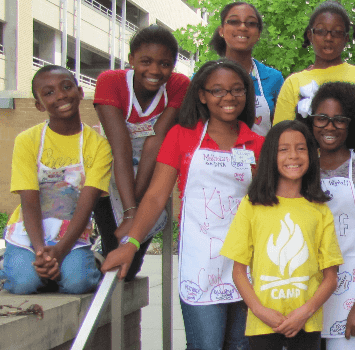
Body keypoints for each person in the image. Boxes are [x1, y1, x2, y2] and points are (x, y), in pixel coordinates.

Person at [100, 59, 265, 350]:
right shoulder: (181, 136)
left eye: (237, 90)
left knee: (241, 347)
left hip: (247, 264)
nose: (228, 97)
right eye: (218, 90)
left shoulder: (257, 144)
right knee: (206, 345)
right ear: (202, 95)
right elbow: (155, 196)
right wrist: (131, 243)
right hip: (200, 263)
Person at [221, 120, 343, 350]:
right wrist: (259, 311)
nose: (293, 156)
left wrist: (304, 313)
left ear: (311, 154)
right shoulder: (252, 205)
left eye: (301, 148)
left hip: (306, 323)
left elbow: (331, 278)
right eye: (283, 149)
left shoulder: (319, 210)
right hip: (263, 323)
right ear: (270, 156)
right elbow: (238, 271)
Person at [0, 65, 111, 294]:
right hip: (29, 234)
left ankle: (85, 264)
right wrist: (41, 251)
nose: (60, 95)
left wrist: (60, 251)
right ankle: (15, 267)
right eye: (49, 93)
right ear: (40, 105)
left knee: (77, 284)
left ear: (80, 93)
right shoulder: (27, 141)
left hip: (70, 237)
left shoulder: (98, 145)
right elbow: (29, 199)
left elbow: (86, 204)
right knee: (23, 284)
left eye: (66, 87)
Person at [296, 82, 355, 349]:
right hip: (303, 287)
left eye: (339, 120)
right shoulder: (298, 168)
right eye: (322, 118)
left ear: (353, 124)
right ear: (310, 120)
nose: (329, 126)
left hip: (352, 289)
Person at [93, 25, 189, 281]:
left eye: (165, 64)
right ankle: (95, 253)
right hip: (113, 170)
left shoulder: (179, 85)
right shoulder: (110, 82)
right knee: (115, 256)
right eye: (146, 61)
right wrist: (130, 211)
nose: (155, 71)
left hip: (150, 170)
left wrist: (136, 215)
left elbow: (155, 141)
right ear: (132, 59)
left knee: (130, 264)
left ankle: (105, 252)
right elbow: (121, 149)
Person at [272, 0, 355, 128]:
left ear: (346, 38)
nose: (328, 38)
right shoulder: (293, 83)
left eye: (337, 32)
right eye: (321, 31)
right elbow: (282, 134)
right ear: (310, 35)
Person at [209, 1, 284, 136]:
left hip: (261, 156)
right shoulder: (205, 77)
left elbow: (280, 131)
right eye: (234, 21)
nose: (243, 27)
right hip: (214, 156)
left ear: (259, 33)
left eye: (250, 23)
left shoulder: (274, 79)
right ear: (221, 30)